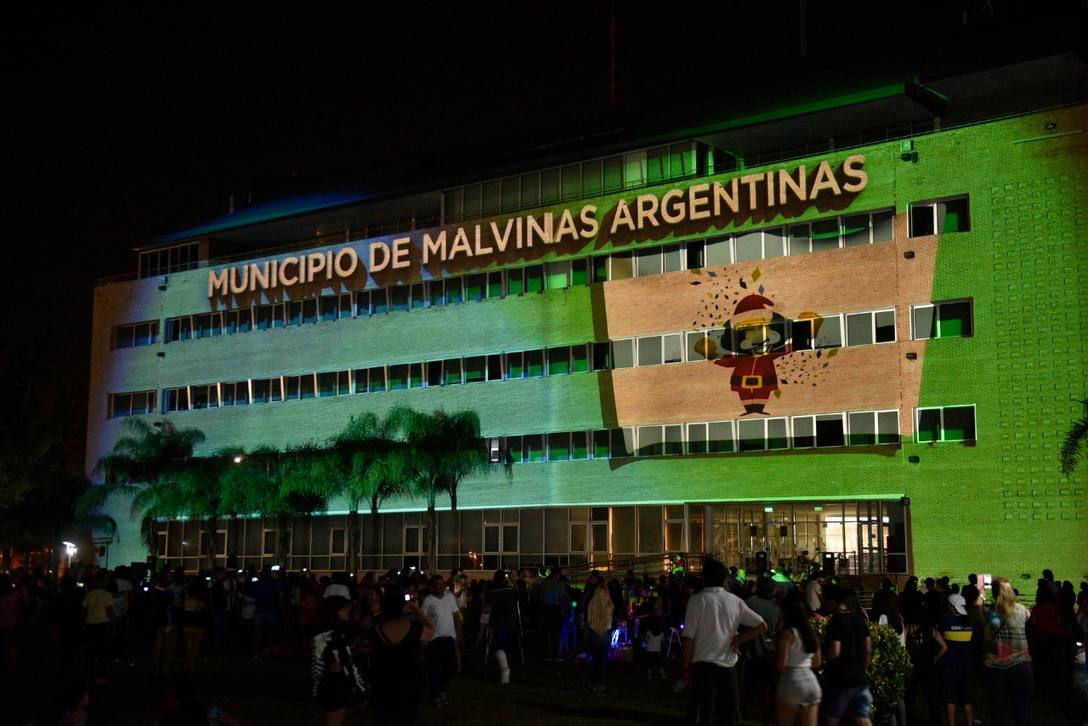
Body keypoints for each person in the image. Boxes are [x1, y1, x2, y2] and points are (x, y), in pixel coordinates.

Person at [681, 559, 768, 726]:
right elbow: (761, 625)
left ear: (704, 578)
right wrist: (739, 639)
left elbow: (688, 638)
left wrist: (686, 668)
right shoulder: (734, 601)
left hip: (703, 666)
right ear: (724, 579)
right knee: (728, 715)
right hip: (727, 667)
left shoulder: (697, 600)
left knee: (703, 714)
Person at [369, 589, 434, 726]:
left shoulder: (376, 629)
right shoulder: (414, 628)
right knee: (406, 717)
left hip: (383, 680)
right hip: (409, 680)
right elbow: (431, 630)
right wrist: (417, 609)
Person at [982, 577, 1033, 726]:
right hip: (1022, 663)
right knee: (1023, 708)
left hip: (996, 666)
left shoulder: (991, 613)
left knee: (999, 708)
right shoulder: (1023, 610)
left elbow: (986, 639)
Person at [312, 596, 367, 726]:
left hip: (325, 684)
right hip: (335, 685)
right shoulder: (335, 637)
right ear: (334, 611)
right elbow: (344, 665)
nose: (348, 612)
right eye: (344, 610)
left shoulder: (322, 634)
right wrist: (360, 689)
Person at [822, 585, 872, 726]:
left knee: (832, 719)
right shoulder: (860, 620)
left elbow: (835, 651)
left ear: (834, 602)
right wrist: (864, 668)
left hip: (840, 680)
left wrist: (823, 656)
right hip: (860, 680)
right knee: (863, 718)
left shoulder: (836, 621)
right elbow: (868, 649)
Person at [776, 602, 822, 726]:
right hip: (811, 683)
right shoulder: (812, 635)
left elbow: (782, 664)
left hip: (791, 682)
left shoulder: (787, 634)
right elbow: (817, 663)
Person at [421, 574, 463, 707]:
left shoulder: (450, 597)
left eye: (442, 583)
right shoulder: (428, 600)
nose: (440, 586)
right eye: (437, 584)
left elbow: (456, 615)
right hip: (435, 640)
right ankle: (435, 695)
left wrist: (460, 634)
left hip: (449, 638)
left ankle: (442, 688)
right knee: (435, 668)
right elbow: (423, 619)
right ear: (432, 586)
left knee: (450, 668)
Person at [933, 593, 974, 726]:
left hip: (949, 664)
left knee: (950, 698)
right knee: (967, 697)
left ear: (951, 606)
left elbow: (937, 638)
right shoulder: (969, 621)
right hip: (967, 664)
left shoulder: (945, 620)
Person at [486, 569, 520, 684]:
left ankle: (504, 669)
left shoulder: (492, 592)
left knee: (501, 647)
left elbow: (486, 603)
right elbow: (519, 596)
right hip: (511, 621)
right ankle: (507, 668)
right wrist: (514, 581)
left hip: (498, 622)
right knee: (509, 647)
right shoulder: (510, 590)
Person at [81, 572, 114, 683]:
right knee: (102, 650)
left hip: (90, 623)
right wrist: (112, 621)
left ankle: (89, 674)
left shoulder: (90, 594)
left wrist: (84, 622)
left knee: (90, 650)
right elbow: (109, 611)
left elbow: (84, 610)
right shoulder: (107, 595)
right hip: (103, 624)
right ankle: (100, 675)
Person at [586, 575, 613, 696]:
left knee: (595, 660)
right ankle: (601, 686)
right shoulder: (610, 606)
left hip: (594, 633)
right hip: (605, 634)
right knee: (603, 661)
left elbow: (589, 621)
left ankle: (592, 682)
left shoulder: (591, 605)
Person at [179, 580, 208, 675]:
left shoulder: (185, 602)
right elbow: (205, 615)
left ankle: (189, 665)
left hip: (187, 626)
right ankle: (192, 666)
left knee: (188, 646)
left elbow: (182, 614)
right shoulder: (202, 603)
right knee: (195, 648)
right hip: (199, 626)